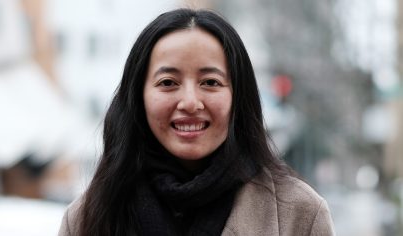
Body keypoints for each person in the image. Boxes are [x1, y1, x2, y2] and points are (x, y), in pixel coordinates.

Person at [58, 8, 335, 236]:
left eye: (210, 82)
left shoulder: (299, 214)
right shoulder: (86, 218)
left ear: (238, 96)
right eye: (168, 82)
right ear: (138, 97)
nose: (190, 102)